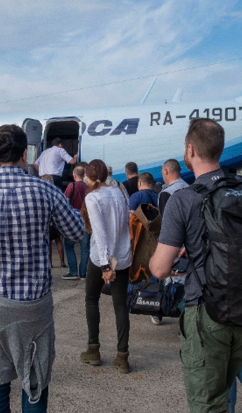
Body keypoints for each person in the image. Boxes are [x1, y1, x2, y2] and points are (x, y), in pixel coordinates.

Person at [0, 125, 85, 413]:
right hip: (33, 309)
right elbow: (76, 232)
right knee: (34, 382)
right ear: (25, 155)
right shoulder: (45, 190)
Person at [149, 118, 242, 412]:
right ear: (219, 150)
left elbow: (159, 269)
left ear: (190, 150)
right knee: (224, 388)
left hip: (207, 311)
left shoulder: (183, 200)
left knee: (207, 403)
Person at [79, 159, 133, 374]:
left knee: (91, 299)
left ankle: (93, 349)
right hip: (123, 255)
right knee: (120, 306)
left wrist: (104, 265)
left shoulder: (93, 197)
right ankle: (123, 356)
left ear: (90, 177)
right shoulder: (118, 192)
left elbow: (100, 234)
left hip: (102, 258)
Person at [149, 159, 189, 327]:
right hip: (189, 245)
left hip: (173, 245)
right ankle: (187, 321)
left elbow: (167, 225)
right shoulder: (189, 188)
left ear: (166, 171)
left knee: (167, 280)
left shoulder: (167, 193)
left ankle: (159, 312)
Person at [62, 166, 90, 280]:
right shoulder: (88, 188)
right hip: (86, 222)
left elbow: (65, 202)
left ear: (74, 175)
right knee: (85, 248)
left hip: (73, 222)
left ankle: (73, 271)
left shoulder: (71, 186)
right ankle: (83, 273)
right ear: (84, 175)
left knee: (68, 245)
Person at [41, 174, 67, 269]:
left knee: (49, 242)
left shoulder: (42, 193)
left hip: (47, 220)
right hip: (56, 219)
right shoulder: (56, 192)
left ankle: (50, 263)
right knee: (58, 241)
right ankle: (62, 262)